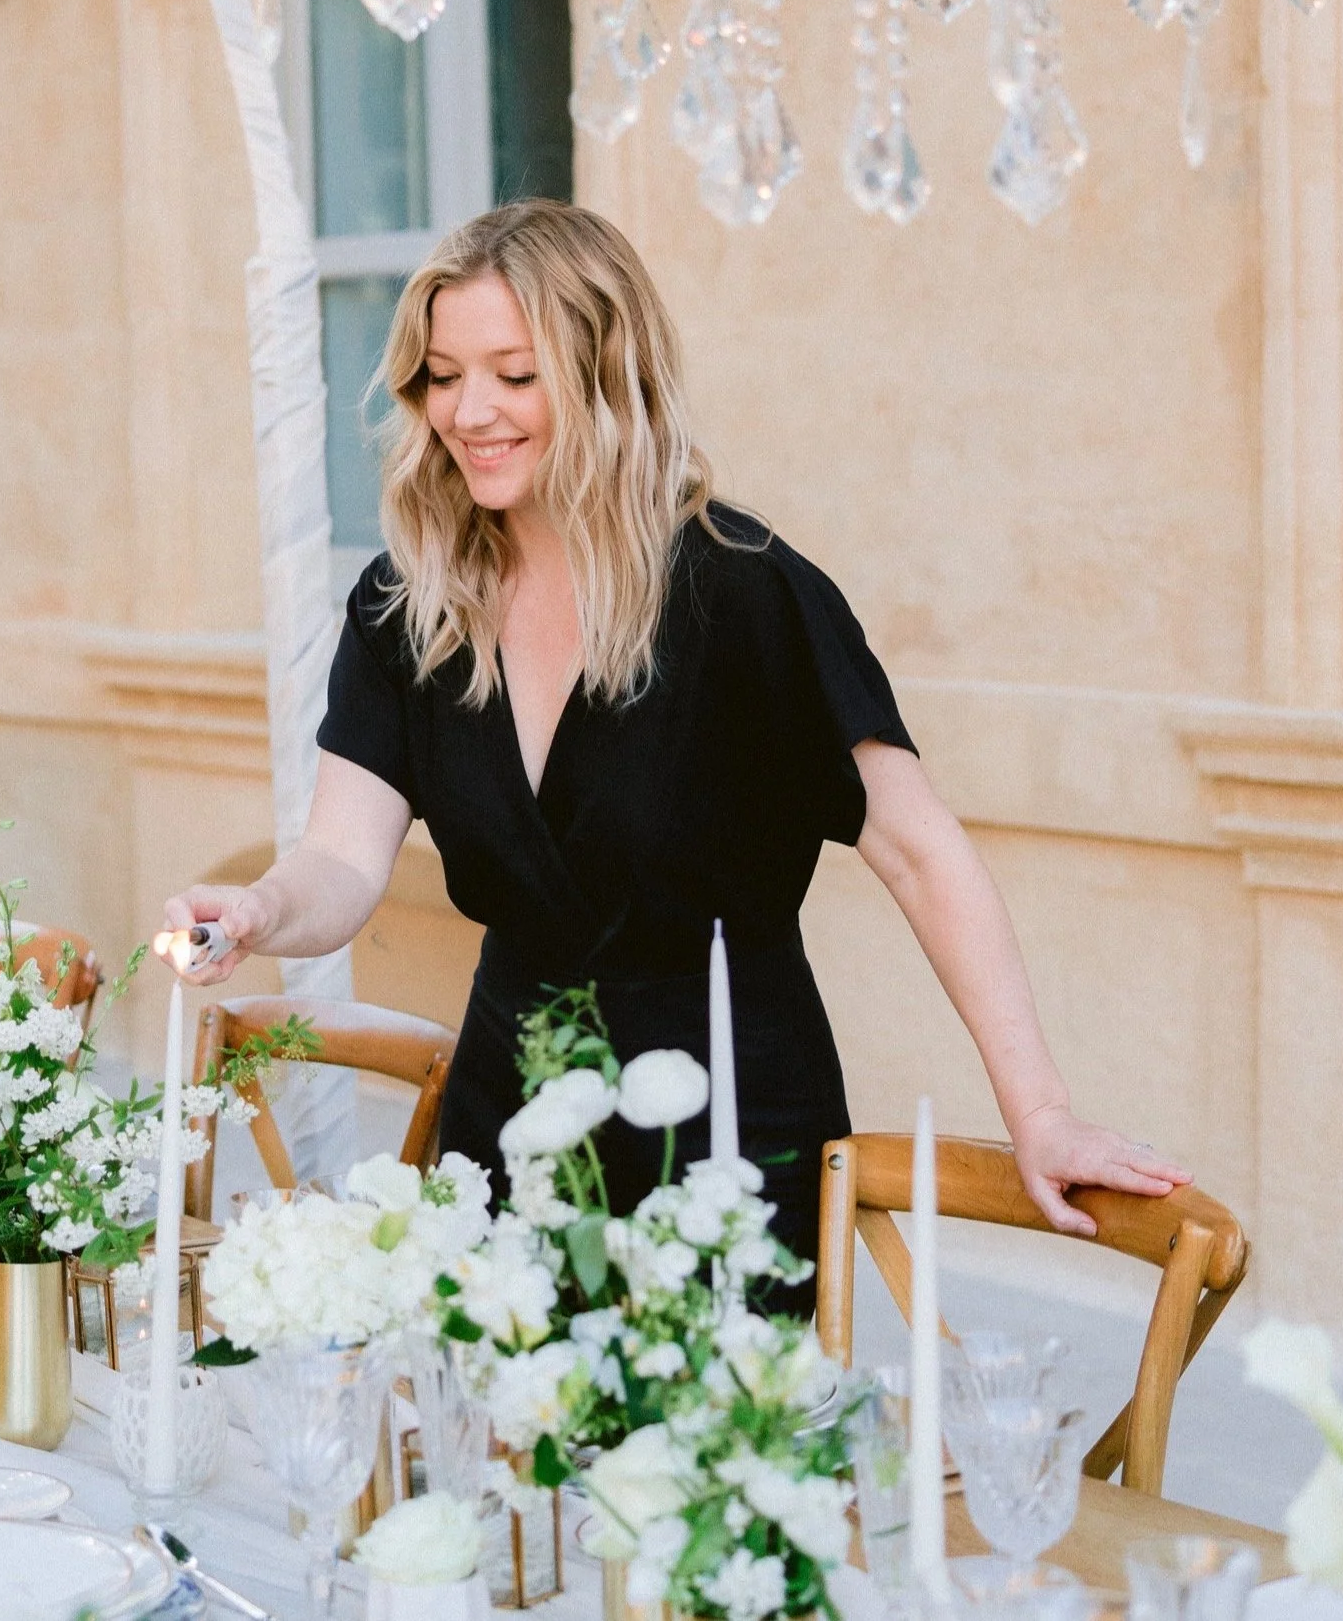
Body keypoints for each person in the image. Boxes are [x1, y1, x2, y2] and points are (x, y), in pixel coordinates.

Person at [164, 199, 1186, 1293]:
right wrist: (266, 908)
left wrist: (1039, 1113)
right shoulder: (410, 605)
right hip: (507, 1124)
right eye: (443, 375)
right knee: (491, 1449)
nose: (469, 411)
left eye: (515, 374)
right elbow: (344, 858)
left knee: (695, 1466)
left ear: (607, 374)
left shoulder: (746, 593)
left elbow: (919, 853)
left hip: (725, 1142)